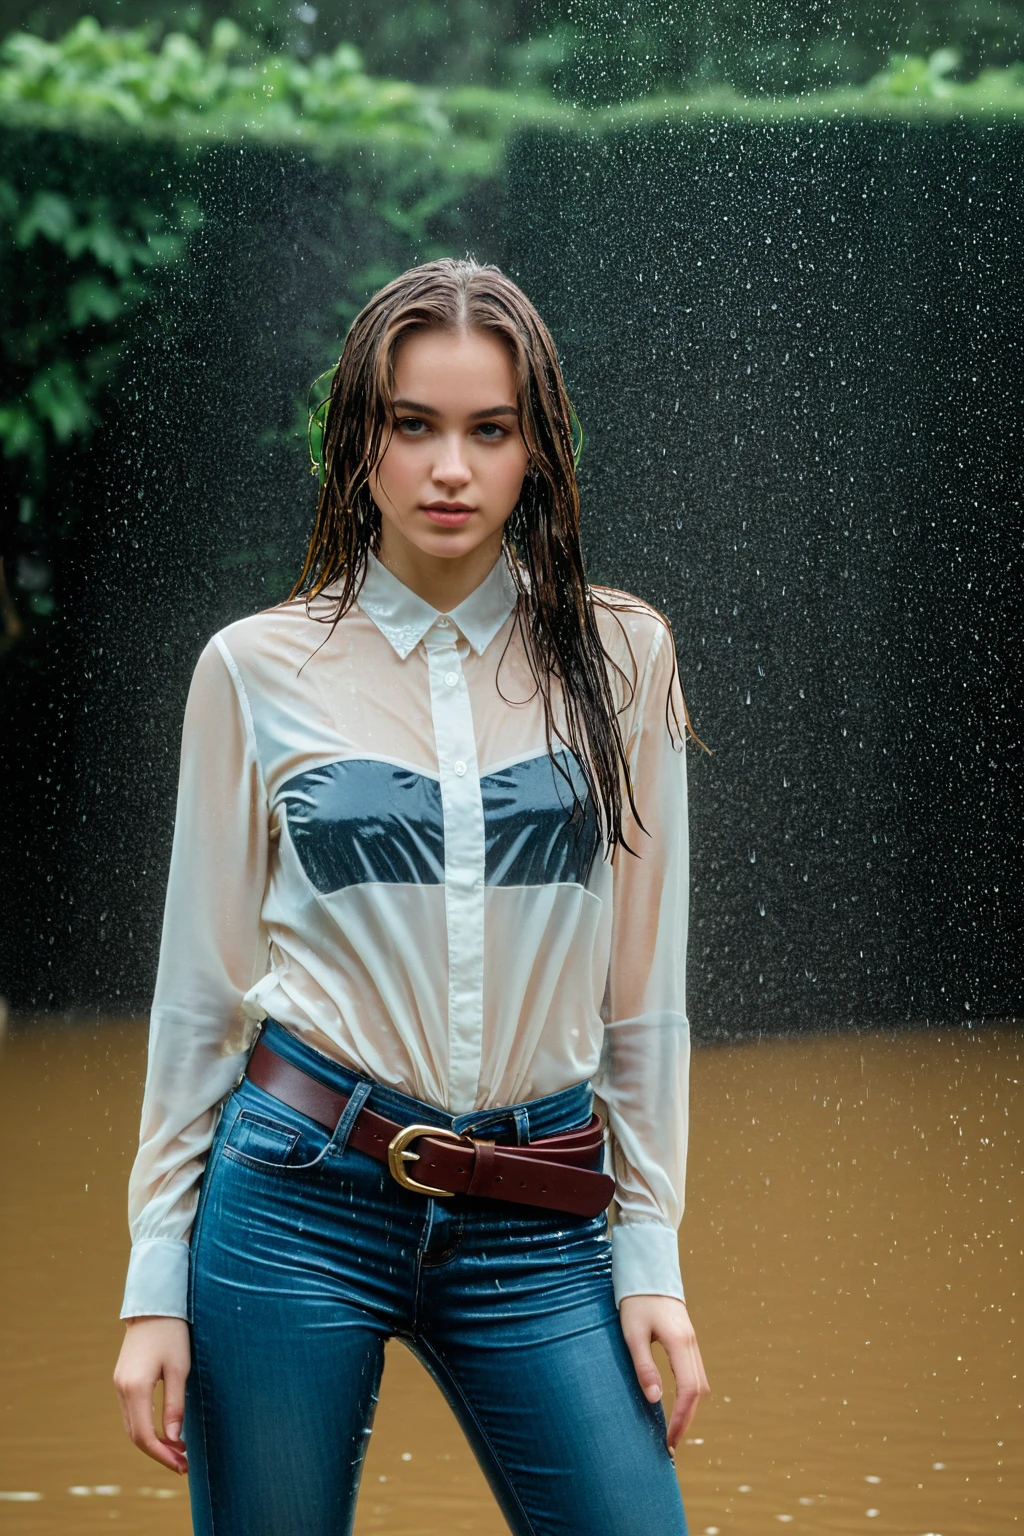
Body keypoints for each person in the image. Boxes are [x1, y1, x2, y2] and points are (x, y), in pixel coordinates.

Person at [113, 257, 709, 1535]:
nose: (451, 467)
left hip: (537, 1216)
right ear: (359, 442)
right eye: (413, 425)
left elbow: (643, 1005)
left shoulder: (623, 657)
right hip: (293, 1198)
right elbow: (200, 999)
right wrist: (153, 1279)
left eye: (489, 430)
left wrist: (649, 1256)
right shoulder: (255, 669)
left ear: (536, 447)